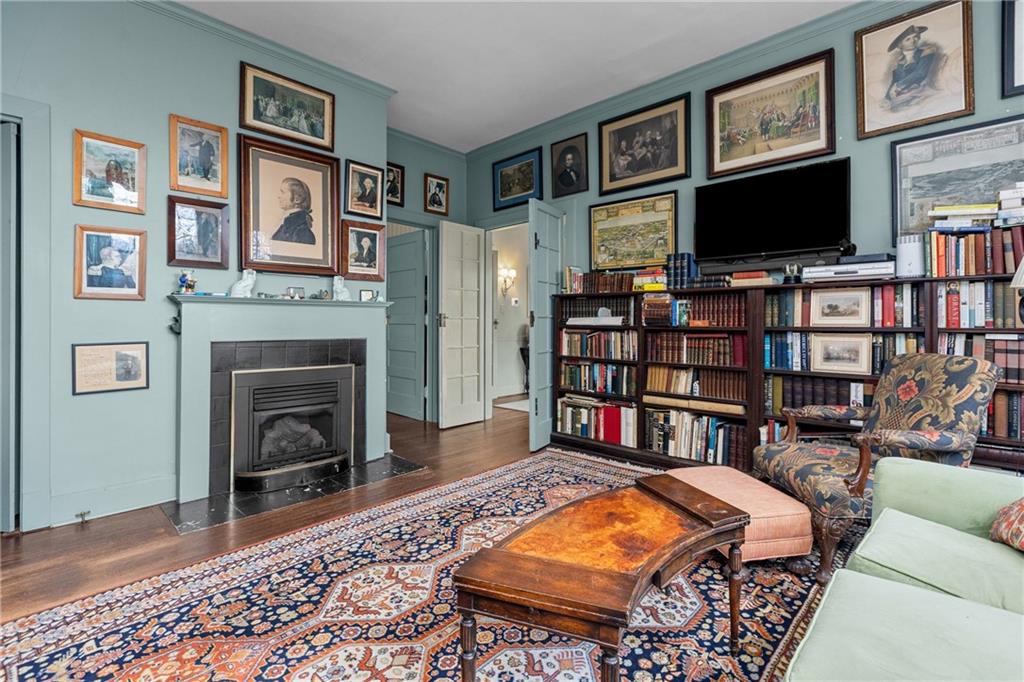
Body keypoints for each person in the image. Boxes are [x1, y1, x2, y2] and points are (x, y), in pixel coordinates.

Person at [884, 25, 940, 108]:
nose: (913, 40)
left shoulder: (926, 52)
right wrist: (887, 97)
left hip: (922, 90)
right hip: (904, 94)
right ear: (900, 45)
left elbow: (921, 73)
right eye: (908, 39)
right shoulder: (899, 61)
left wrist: (899, 86)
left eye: (915, 37)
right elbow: (894, 81)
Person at [271, 177, 316, 244]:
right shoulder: (287, 223)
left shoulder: (301, 231)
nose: (279, 196)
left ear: (297, 199)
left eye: (283, 192)